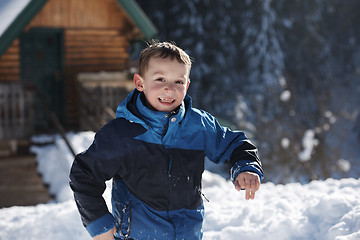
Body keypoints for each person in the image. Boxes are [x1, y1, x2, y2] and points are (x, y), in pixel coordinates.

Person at [69, 41, 263, 240]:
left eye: (178, 82)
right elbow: (84, 174)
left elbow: (234, 143)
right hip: (137, 235)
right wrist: (99, 225)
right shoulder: (121, 134)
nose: (170, 89)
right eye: (160, 79)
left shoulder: (198, 125)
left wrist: (246, 166)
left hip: (188, 234)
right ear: (140, 83)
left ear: (187, 86)